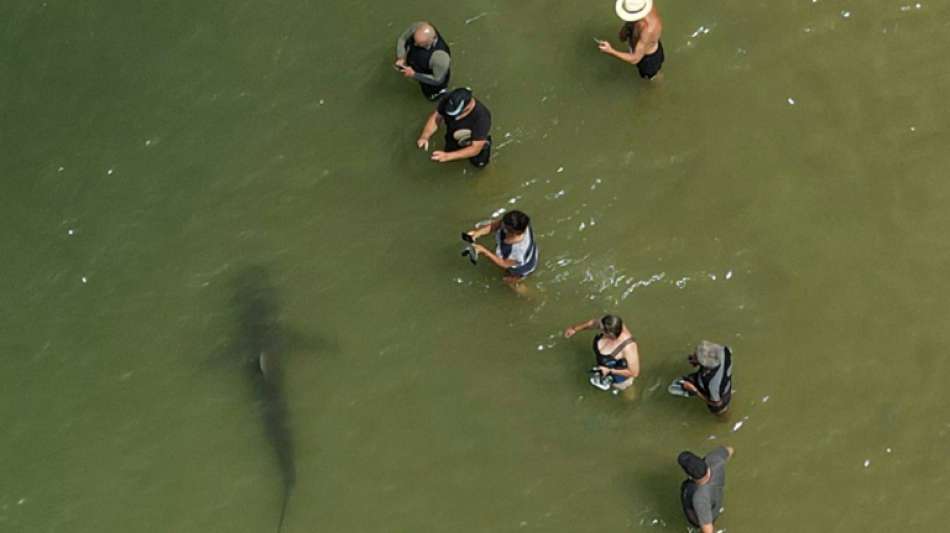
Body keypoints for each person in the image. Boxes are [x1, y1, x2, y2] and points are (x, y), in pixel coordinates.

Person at [417, 88, 492, 168]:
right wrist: (425, 136)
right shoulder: (449, 98)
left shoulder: (482, 118)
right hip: (454, 133)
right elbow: (437, 117)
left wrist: (447, 156)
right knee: (449, 155)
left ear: (468, 106)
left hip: (475, 140)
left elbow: (475, 148)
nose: (453, 117)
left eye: (455, 113)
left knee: (479, 163)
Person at [564, 315, 640, 390]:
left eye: (601, 329)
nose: (599, 329)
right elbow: (593, 323)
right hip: (603, 366)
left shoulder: (628, 347)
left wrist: (610, 370)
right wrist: (575, 329)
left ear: (610, 333)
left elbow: (634, 372)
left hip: (619, 378)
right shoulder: (610, 323)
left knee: (629, 396)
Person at [597, 0, 664, 80]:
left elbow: (635, 59)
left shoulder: (648, 30)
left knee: (652, 77)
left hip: (647, 59)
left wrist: (611, 51)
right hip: (639, 42)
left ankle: (658, 83)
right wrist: (627, 28)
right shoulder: (642, 5)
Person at [464, 210, 538, 283]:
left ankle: (528, 294)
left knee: (508, 281)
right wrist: (477, 234)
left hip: (522, 267)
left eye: (504, 225)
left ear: (510, 231)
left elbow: (504, 264)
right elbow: (496, 225)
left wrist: (483, 251)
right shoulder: (520, 224)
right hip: (518, 252)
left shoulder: (518, 251)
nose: (501, 224)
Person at [678, 446, 734, 533]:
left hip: (702, 514)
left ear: (690, 476)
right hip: (716, 502)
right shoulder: (716, 460)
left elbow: (708, 531)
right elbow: (730, 450)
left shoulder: (699, 498)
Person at [668, 341, 733, 415]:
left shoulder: (712, 384)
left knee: (721, 413)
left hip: (719, 400)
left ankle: (724, 417)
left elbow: (717, 404)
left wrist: (695, 391)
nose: (693, 356)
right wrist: (697, 361)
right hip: (720, 383)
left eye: (696, 357)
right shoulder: (725, 350)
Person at [394, 21, 452, 100]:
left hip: (432, 78)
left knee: (431, 93)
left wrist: (414, 74)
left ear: (432, 40)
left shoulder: (440, 58)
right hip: (417, 65)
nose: (415, 44)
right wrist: (401, 57)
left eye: (420, 44)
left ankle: (439, 94)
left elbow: (438, 80)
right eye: (415, 40)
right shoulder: (418, 27)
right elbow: (403, 39)